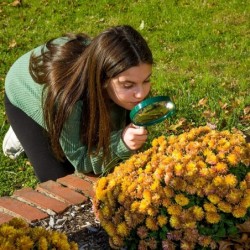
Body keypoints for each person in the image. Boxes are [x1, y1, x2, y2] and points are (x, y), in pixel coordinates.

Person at [2, 25, 153, 182]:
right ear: (103, 79)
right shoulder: (67, 98)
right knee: (60, 182)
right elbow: (81, 161)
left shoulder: (122, 73)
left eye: (146, 80)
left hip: (75, 92)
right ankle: (28, 131)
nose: (141, 93)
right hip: (26, 92)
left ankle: (63, 129)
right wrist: (121, 143)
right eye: (128, 85)